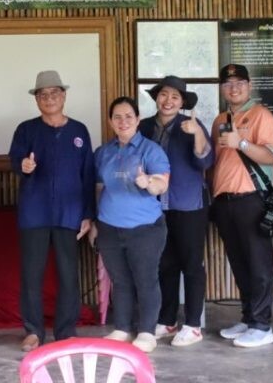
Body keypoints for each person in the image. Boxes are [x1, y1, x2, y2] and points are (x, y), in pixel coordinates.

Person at [9, 70, 95, 353]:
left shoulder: (79, 131)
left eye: (54, 93)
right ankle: (33, 331)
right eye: (43, 95)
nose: (49, 99)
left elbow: (87, 174)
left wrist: (87, 213)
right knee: (32, 274)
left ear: (64, 95)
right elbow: (15, 159)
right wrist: (24, 166)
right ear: (36, 100)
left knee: (68, 274)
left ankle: (65, 330)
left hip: (69, 213)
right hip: (35, 213)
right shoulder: (26, 129)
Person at [91, 97, 171, 354]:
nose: (123, 121)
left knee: (146, 279)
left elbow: (162, 183)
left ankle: (147, 331)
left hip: (145, 228)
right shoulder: (103, 152)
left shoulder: (151, 150)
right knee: (120, 280)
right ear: (110, 121)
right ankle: (122, 328)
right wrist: (94, 221)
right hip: (109, 227)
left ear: (137, 119)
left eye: (128, 116)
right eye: (117, 117)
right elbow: (99, 187)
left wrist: (148, 182)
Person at [210, 63, 273, 349]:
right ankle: (249, 317)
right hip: (224, 201)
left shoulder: (261, 115)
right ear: (222, 88)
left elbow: (271, 156)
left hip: (252, 198)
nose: (234, 88)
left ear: (249, 86)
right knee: (239, 263)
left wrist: (240, 143)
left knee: (258, 264)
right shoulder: (219, 119)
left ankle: (263, 326)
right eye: (228, 84)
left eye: (240, 82)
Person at [138, 76, 212, 348]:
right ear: (156, 97)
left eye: (175, 97)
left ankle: (193, 325)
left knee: (191, 265)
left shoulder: (192, 125)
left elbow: (205, 159)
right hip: (154, 205)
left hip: (188, 204)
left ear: (182, 102)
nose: (168, 101)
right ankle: (167, 319)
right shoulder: (144, 126)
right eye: (164, 95)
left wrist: (197, 134)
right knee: (164, 263)